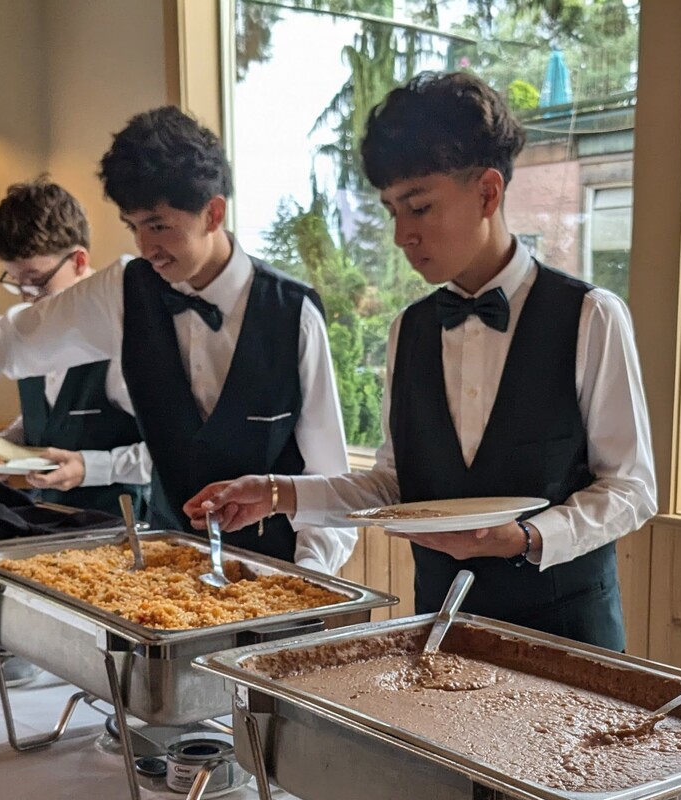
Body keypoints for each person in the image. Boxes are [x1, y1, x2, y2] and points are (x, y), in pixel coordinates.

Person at [184, 71, 657, 651]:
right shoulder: (408, 329)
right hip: (441, 632)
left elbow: (631, 489)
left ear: (488, 193)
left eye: (420, 207)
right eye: (392, 211)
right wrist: (276, 493)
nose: (401, 235)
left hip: (568, 638)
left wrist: (528, 537)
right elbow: (395, 485)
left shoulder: (590, 315)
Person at [0, 107, 356, 574]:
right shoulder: (124, 291)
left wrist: (309, 577)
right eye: (133, 226)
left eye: (158, 225)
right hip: (164, 572)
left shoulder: (294, 314)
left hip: (279, 572)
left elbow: (328, 479)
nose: (145, 247)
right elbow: (8, 335)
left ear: (213, 213)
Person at [0, 177, 150, 517]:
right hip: (52, 522)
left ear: (79, 261)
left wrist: (93, 467)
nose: (27, 298)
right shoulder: (31, 332)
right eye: (17, 283)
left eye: (37, 282)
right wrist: (2, 446)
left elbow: (170, 452)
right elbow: (49, 416)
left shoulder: (127, 332)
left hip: (127, 529)